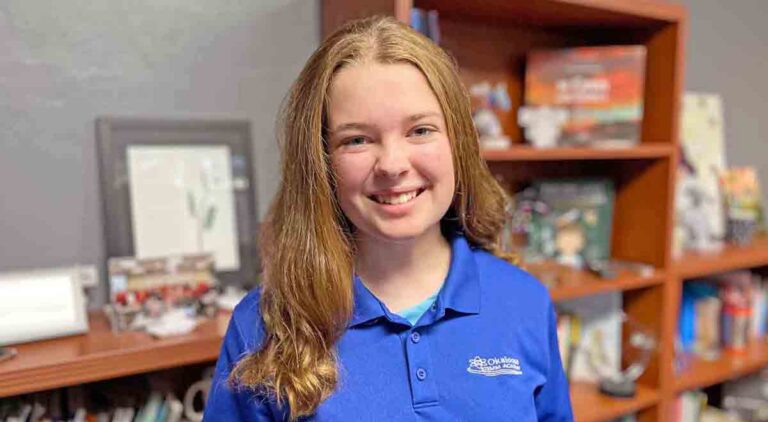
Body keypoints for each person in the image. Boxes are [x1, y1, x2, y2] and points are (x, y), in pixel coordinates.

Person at [204, 15, 573, 422]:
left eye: (420, 130)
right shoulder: (262, 325)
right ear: (321, 163)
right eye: (357, 139)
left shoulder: (524, 301)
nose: (393, 165)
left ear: (459, 143)